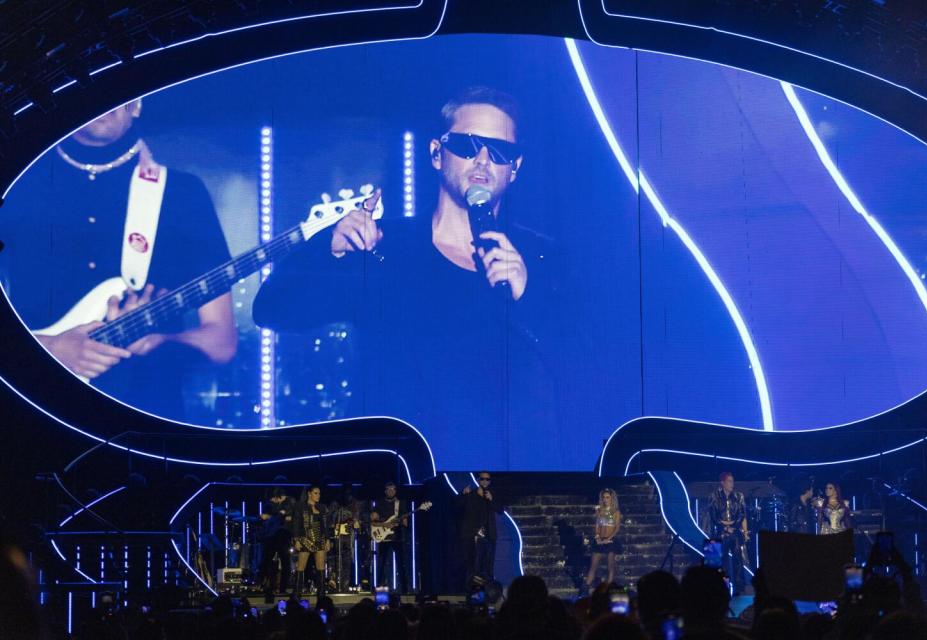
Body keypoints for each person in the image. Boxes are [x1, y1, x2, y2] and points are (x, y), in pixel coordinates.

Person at [252, 86, 559, 470]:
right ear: (436, 152)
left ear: (514, 168)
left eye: (499, 152)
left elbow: (586, 370)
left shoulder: (540, 261)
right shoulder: (383, 247)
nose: (482, 160)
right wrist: (331, 251)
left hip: (499, 486)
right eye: (467, 144)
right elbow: (273, 310)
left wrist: (529, 296)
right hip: (393, 485)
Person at [0, 100, 237, 420]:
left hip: (145, 425)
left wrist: (160, 341)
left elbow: (221, 342)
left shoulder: (182, 194)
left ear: (137, 105)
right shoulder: (16, 186)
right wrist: (49, 348)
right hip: (36, 410)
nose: (107, 99)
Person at [708, 472, 750, 594]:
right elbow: (713, 516)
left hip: (735, 532)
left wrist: (733, 526)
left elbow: (741, 514)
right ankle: (721, 588)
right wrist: (724, 527)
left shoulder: (738, 497)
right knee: (719, 563)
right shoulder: (714, 496)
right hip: (718, 533)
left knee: (738, 562)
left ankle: (740, 589)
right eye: (729, 481)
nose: (732, 484)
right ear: (723, 483)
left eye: (733, 481)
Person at [459, 472, 499, 588]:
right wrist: (463, 495)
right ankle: (472, 593)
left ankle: (487, 592)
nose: (485, 482)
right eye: (482, 479)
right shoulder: (470, 495)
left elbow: (500, 509)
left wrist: (491, 499)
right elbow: (457, 507)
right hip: (473, 538)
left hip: (489, 536)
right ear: (478, 480)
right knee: (473, 567)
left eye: (487, 479)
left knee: (488, 567)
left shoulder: (492, 495)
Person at [370, 481, 409, 592]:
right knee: (381, 564)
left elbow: (405, 523)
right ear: (385, 491)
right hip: (384, 538)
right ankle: (378, 588)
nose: (391, 491)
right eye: (389, 489)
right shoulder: (380, 503)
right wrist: (384, 524)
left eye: (393, 489)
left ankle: (405, 590)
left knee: (401, 563)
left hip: (397, 537)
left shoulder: (400, 503)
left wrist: (404, 520)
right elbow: (373, 521)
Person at [293, 485, 331, 596]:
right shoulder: (301, 506)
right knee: (301, 566)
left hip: (320, 539)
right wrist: (296, 540)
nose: (318, 495)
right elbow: (296, 523)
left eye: (319, 493)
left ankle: (321, 593)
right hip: (305, 539)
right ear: (309, 493)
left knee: (321, 567)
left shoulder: (322, 507)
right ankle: (297, 592)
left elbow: (325, 525)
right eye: (315, 493)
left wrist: (328, 539)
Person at [259, 486, 295, 596]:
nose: (282, 499)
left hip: (283, 536)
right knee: (268, 561)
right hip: (272, 536)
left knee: (285, 562)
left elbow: (288, 516)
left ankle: (282, 587)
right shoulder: (269, 505)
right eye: (281, 498)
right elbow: (264, 518)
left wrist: (282, 514)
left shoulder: (288, 503)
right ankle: (266, 584)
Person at [584, 489, 622, 589]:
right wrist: (598, 538)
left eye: (607, 497)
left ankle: (608, 589)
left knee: (610, 566)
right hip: (600, 540)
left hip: (611, 540)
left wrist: (608, 538)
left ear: (612, 498)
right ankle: (585, 588)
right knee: (593, 566)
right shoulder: (599, 510)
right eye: (603, 497)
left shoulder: (615, 512)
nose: (605, 499)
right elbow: (597, 526)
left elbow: (617, 527)